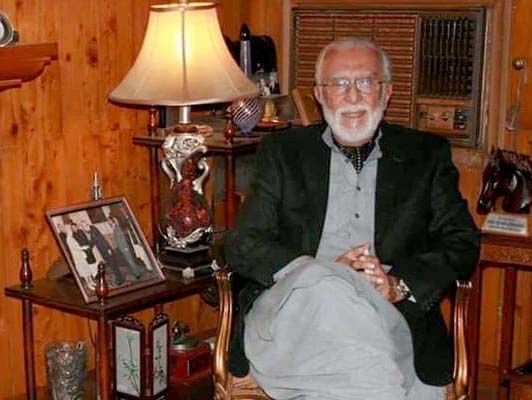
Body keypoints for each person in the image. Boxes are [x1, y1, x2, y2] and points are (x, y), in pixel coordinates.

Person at [225, 37, 480, 400]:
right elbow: (243, 243)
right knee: (327, 288)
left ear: (386, 92)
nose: (353, 96)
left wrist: (398, 286)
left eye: (365, 82)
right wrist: (320, 272)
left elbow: (462, 241)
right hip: (293, 310)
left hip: (385, 311)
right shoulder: (283, 152)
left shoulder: (425, 155)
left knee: (352, 362)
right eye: (339, 84)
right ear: (320, 94)